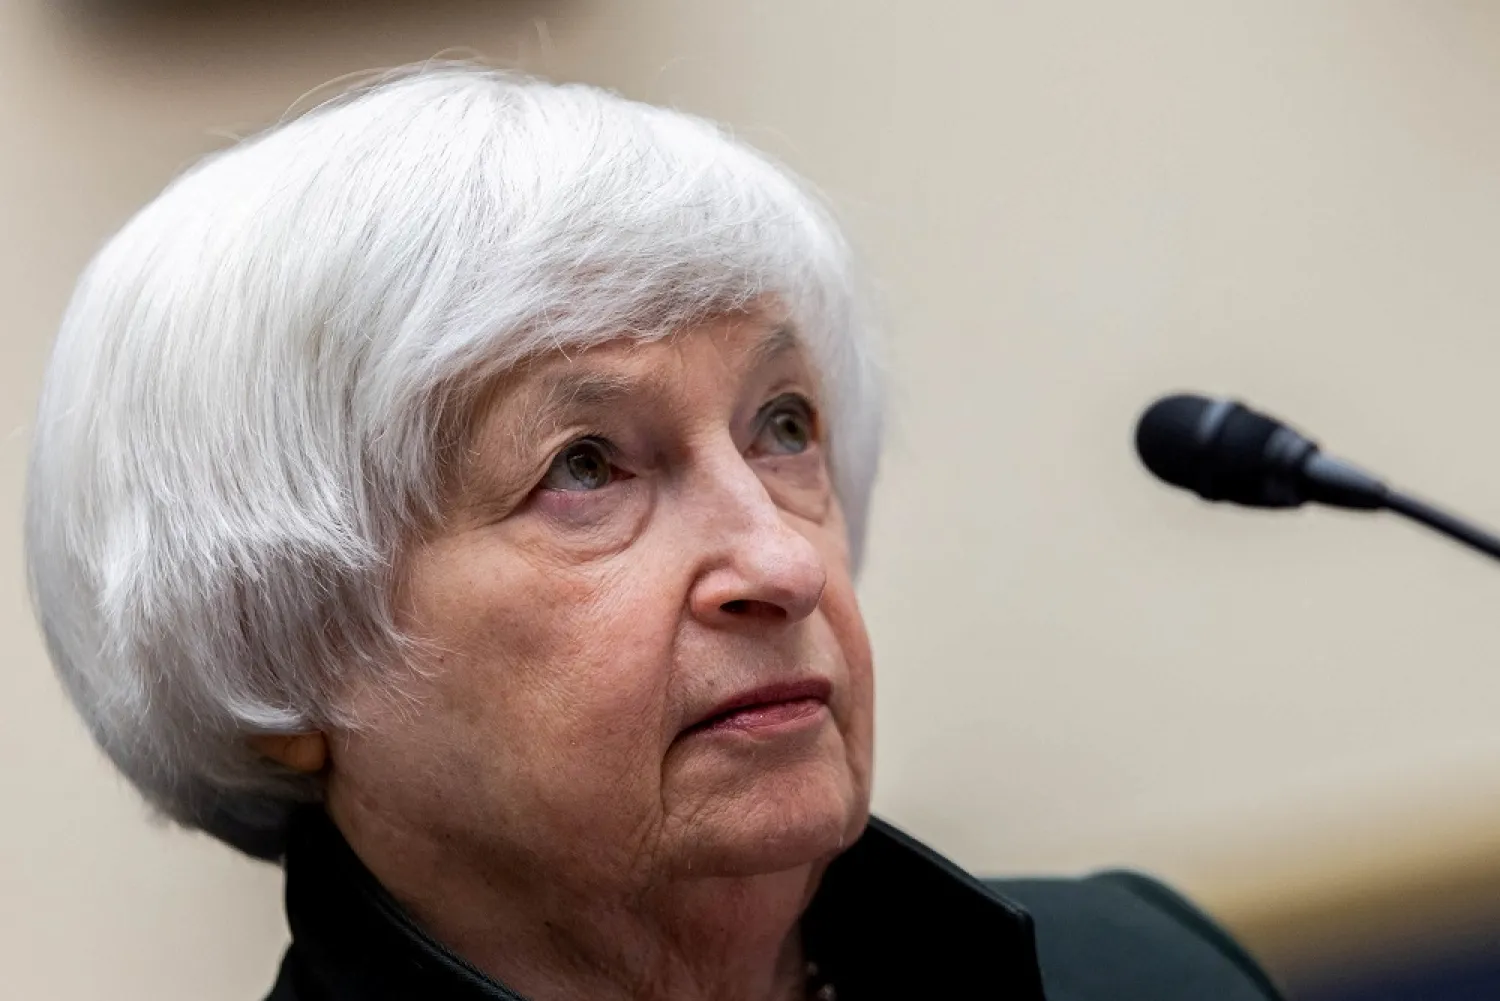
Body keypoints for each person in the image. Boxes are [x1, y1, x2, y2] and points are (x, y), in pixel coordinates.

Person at [25, 66, 1284, 1001]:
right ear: (277, 662)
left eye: (782, 426)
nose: (785, 564)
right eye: (583, 468)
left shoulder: (1148, 969)